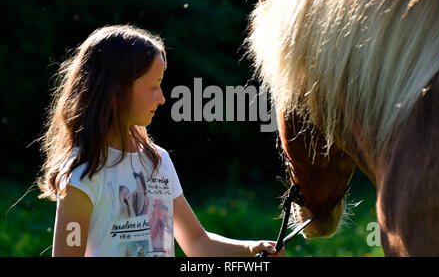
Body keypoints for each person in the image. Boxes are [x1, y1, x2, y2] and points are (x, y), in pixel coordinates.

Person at [36, 24, 284, 257]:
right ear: (116, 92)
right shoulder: (82, 174)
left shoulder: (158, 162)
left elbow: (197, 241)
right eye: (154, 86)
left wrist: (252, 248)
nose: (162, 98)